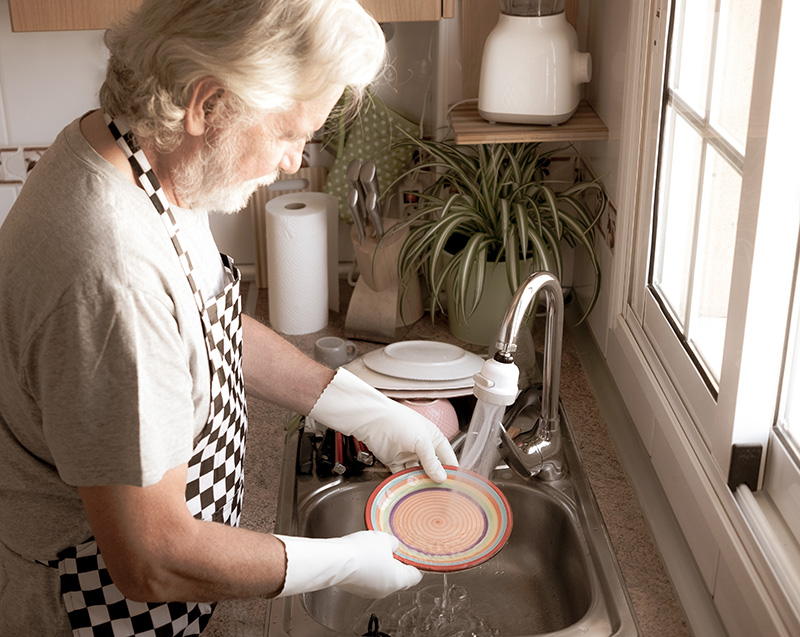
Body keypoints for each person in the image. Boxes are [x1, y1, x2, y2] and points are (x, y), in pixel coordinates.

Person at [0, 1, 458, 634]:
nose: (296, 160)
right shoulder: (109, 275)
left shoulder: (138, 152)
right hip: (89, 606)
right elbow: (149, 559)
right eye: (289, 133)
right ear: (207, 103)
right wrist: (339, 562)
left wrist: (366, 410)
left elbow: (208, 324)